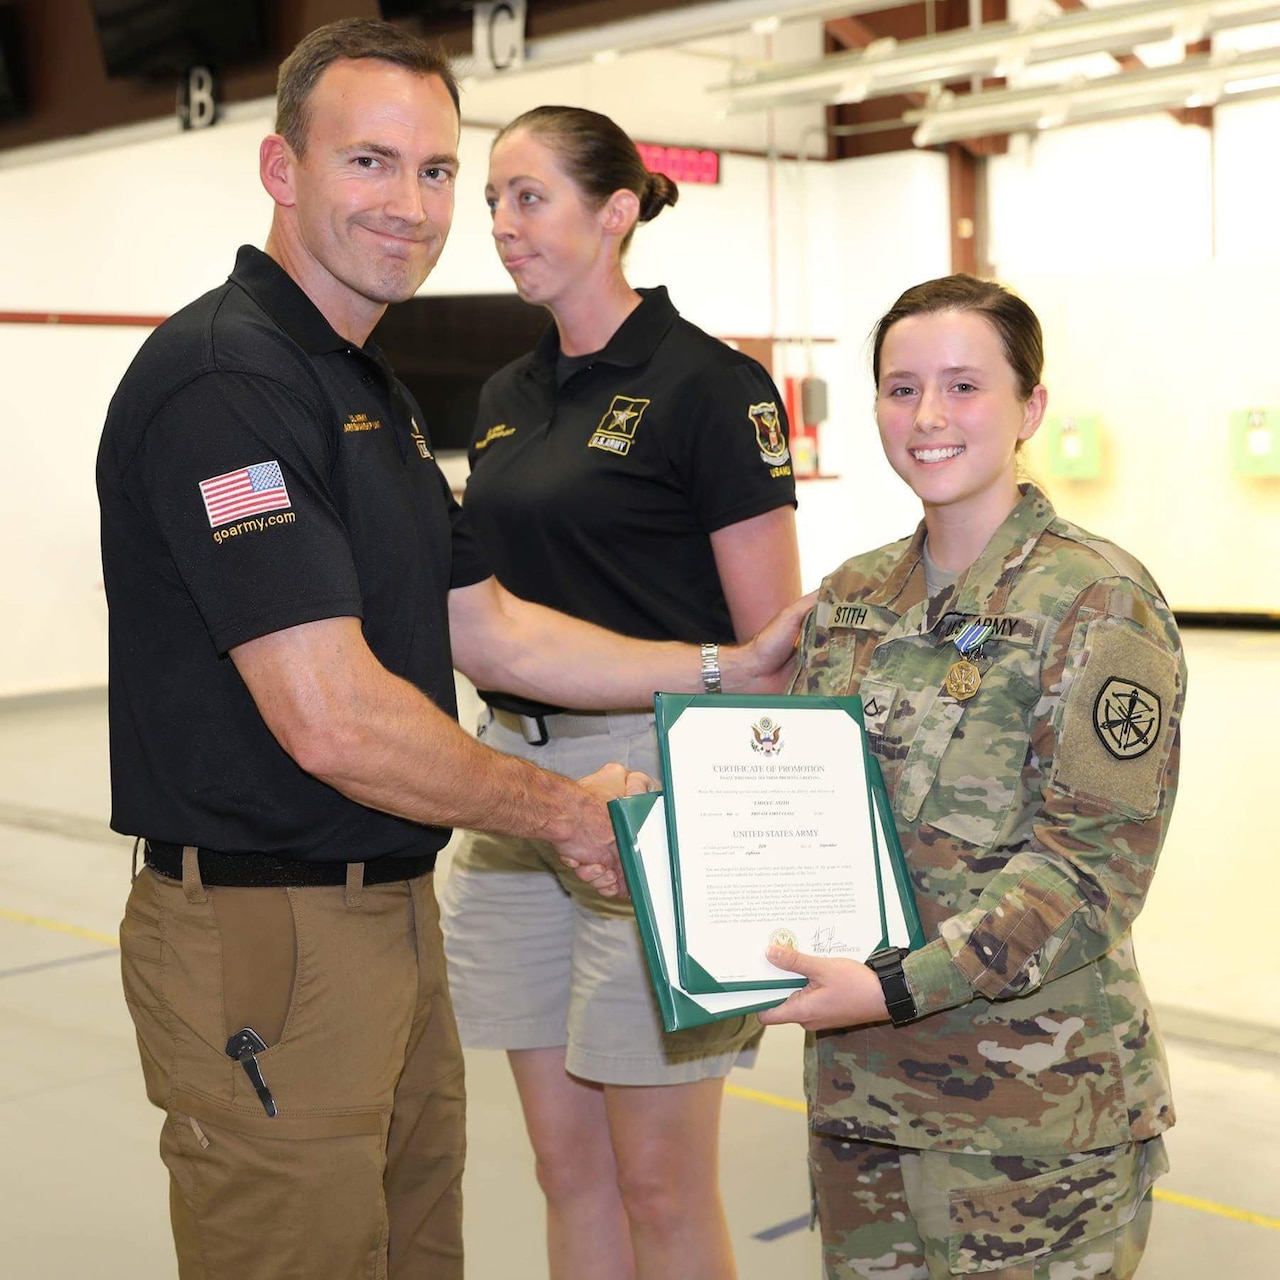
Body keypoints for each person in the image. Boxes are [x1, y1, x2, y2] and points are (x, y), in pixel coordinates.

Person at [95, 22, 806, 1280]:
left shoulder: (361, 389)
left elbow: (488, 623)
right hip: (274, 929)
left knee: (418, 1242)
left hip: (387, 909)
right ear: (279, 169)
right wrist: (565, 815)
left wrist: (723, 667)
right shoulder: (228, 383)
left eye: (436, 173)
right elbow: (332, 714)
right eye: (371, 163)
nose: (414, 207)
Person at [757, 274, 1185, 1279]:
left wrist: (893, 983)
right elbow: (798, 812)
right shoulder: (853, 596)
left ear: (1029, 406)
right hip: (863, 1106)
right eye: (899, 388)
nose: (927, 416)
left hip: (1036, 1128)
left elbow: (1088, 873)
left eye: (962, 385)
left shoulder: (1098, 599)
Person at [438, 106, 802, 1280]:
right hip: (513, 785)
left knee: (659, 1177)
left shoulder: (710, 386)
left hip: (655, 780)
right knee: (565, 1167)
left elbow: (768, 649)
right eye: (492, 197)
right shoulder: (502, 391)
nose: (500, 223)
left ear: (615, 212)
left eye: (527, 196)